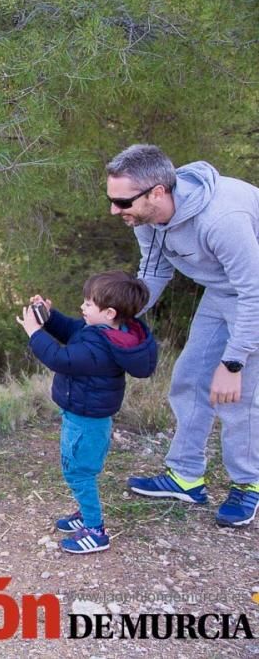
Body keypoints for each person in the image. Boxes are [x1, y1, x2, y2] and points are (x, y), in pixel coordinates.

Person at [106, 144, 259, 527]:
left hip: (252, 293)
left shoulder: (223, 218)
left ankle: (249, 484)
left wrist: (234, 361)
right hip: (221, 291)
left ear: (157, 192)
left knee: (237, 397)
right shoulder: (148, 220)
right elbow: (154, 273)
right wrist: (117, 316)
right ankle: (186, 476)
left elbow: (253, 291)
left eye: (122, 202)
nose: (114, 210)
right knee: (190, 379)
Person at [18, 271, 157, 553]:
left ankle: (95, 530)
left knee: (78, 473)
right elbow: (72, 330)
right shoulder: (104, 332)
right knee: (81, 470)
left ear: (108, 313)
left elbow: (60, 358)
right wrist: (50, 316)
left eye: (88, 304)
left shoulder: (99, 347)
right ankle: (85, 511)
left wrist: (34, 332)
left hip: (85, 422)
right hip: (86, 417)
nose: (82, 307)